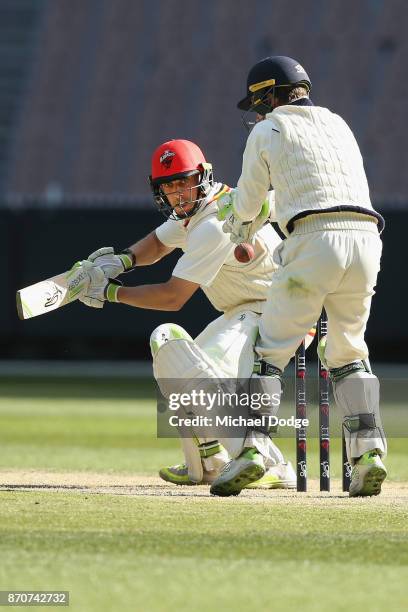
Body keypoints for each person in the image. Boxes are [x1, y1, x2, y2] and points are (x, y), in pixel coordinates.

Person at [78, 138, 315, 489]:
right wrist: (121, 260)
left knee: (174, 347)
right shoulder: (195, 211)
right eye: (168, 186)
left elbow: (173, 297)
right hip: (248, 312)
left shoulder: (214, 223)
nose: (177, 194)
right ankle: (213, 459)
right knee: (177, 368)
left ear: (202, 176)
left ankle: (266, 462)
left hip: (276, 315)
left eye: (182, 182)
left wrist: (111, 292)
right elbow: (159, 243)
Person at [214, 55, 387, 497]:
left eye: (258, 104)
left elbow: (249, 205)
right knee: (349, 351)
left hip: (314, 239)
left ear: (269, 95)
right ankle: (368, 455)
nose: (256, 114)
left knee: (269, 352)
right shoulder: (339, 123)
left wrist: (238, 226)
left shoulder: (268, 130)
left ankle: (253, 449)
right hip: (367, 239)